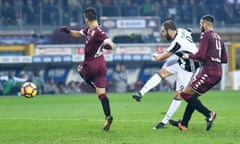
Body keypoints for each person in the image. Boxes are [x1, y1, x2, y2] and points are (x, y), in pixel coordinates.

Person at [132, 20, 200, 129]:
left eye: (163, 32)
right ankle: (141, 92)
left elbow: (160, 58)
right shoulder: (182, 31)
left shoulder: (176, 43)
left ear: (169, 30)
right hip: (182, 63)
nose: (162, 34)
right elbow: (189, 30)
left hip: (189, 69)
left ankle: (164, 122)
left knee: (179, 95)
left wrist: (155, 55)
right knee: (161, 73)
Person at [59, 7, 116, 131]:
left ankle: (93, 85)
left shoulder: (98, 31)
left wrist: (109, 45)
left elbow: (110, 43)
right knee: (101, 94)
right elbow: (78, 34)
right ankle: (108, 116)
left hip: (91, 65)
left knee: (80, 69)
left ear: (86, 18)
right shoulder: (90, 30)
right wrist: (68, 31)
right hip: (101, 66)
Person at [169, 15, 228, 131]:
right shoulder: (219, 37)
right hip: (218, 73)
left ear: (205, 24)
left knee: (185, 94)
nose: (200, 26)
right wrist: (212, 57)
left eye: (201, 24)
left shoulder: (205, 35)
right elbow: (224, 59)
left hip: (208, 72)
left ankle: (209, 114)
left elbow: (200, 55)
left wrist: (188, 56)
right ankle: (184, 124)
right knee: (192, 96)